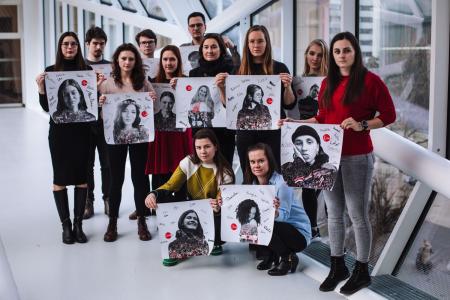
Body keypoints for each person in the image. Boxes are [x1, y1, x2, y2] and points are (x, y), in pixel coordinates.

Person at [279, 31, 396, 294]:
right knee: (334, 214)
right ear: (333, 56)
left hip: (357, 157)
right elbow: (321, 118)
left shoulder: (370, 81)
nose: (342, 55)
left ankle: (362, 271)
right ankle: (337, 265)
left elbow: (389, 115)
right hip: (329, 157)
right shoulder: (327, 83)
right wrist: (295, 123)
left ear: (355, 52)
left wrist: (361, 124)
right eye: (337, 51)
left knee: (357, 214)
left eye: (347, 50)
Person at [213, 143, 311, 276]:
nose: (256, 165)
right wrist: (223, 204)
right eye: (252, 162)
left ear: (269, 161)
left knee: (261, 222)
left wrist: (275, 212)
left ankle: (288, 258)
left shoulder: (282, 183)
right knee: (252, 219)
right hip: (279, 229)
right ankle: (271, 256)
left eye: (261, 161)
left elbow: (285, 216)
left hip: (298, 235)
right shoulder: (251, 184)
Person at [145, 129, 235, 266]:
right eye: (198, 147)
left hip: (211, 214)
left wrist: (217, 207)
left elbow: (223, 204)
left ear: (216, 146)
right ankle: (172, 249)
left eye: (207, 146)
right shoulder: (188, 162)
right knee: (163, 197)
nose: (203, 151)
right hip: (188, 209)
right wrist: (153, 194)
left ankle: (215, 242)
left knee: (220, 216)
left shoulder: (225, 173)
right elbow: (170, 185)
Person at [35, 31, 94, 244]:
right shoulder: (51, 72)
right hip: (60, 135)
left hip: (82, 133)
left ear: (78, 47)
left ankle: (79, 225)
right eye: (66, 44)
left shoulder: (87, 71)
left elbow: (94, 102)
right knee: (59, 179)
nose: (70, 47)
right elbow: (46, 107)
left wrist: (99, 86)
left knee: (81, 178)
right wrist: (41, 88)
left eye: (73, 44)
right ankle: (66, 226)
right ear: (60, 47)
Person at [98, 43, 157, 242]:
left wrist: (152, 98)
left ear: (136, 61)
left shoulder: (143, 82)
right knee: (116, 179)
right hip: (114, 138)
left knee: (139, 178)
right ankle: (112, 221)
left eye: (131, 59)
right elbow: (103, 114)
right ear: (117, 60)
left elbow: (150, 109)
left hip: (139, 137)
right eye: (123, 58)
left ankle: (142, 220)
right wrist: (100, 103)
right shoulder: (107, 84)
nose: (127, 62)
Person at [216, 25, 296, 169]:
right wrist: (221, 88)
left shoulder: (279, 68)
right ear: (247, 44)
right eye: (252, 41)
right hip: (245, 136)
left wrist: (288, 86)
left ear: (267, 43)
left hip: (274, 134)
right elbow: (227, 105)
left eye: (260, 41)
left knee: (275, 175)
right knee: (249, 176)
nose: (256, 45)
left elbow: (289, 104)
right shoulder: (238, 70)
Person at [145, 45, 193, 218]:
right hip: (160, 136)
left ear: (178, 61)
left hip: (180, 135)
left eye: (172, 59)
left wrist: (182, 87)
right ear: (161, 62)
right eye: (165, 59)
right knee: (160, 173)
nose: (168, 63)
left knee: (181, 172)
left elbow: (193, 108)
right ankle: (161, 214)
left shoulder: (186, 81)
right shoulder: (151, 81)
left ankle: (180, 211)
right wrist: (148, 99)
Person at [189, 32, 236, 167]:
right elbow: (191, 103)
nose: (209, 50)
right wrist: (178, 88)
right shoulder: (194, 74)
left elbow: (232, 106)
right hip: (200, 132)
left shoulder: (231, 71)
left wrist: (222, 88)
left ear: (221, 49)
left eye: (214, 47)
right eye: (206, 47)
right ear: (201, 49)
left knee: (225, 171)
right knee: (203, 172)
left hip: (224, 132)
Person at [298, 38, 329, 241]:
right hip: (305, 139)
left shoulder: (332, 82)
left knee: (326, 185)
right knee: (308, 187)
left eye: (319, 54)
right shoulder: (298, 81)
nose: (315, 58)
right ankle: (313, 227)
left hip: (327, 136)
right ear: (306, 55)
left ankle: (330, 229)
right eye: (312, 53)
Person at [84, 26, 111, 219]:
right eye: (95, 43)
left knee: (107, 164)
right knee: (87, 164)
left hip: (106, 120)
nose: (98, 47)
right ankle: (88, 201)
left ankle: (108, 199)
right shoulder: (80, 67)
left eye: (101, 43)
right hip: (85, 123)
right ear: (87, 44)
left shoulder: (111, 67)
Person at [281, 125, 336, 189]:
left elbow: (305, 184)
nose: (304, 148)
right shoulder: (286, 167)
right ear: (294, 147)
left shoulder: (326, 170)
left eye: (309, 142)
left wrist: (299, 160)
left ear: (317, 147)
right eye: (298, 143)